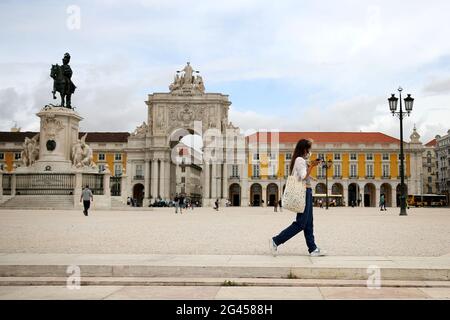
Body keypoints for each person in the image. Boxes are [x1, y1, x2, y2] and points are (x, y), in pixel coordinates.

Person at [270, 139, 326, 257]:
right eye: (308, 149)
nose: (309, 152)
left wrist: (312, 173)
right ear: (304, 149)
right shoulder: (300, 160)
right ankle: (276, 240)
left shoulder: (301, 160)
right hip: (304, 192)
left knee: (309, 222)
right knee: (301, 223)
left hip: (307, 191)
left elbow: (304, 175)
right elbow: (303, 176)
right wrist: (313, 166)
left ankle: (312, 248)